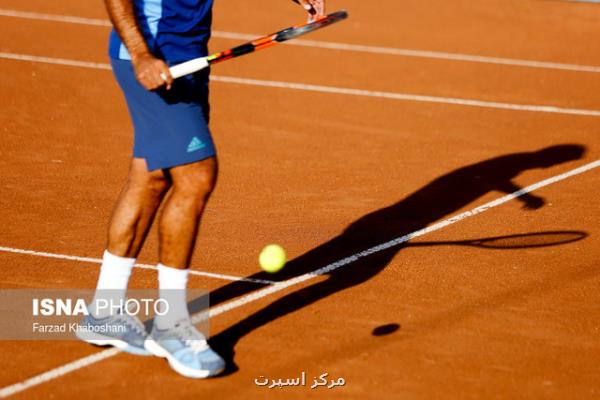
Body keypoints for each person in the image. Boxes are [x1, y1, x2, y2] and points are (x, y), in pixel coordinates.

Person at [76, 0, 326, 379]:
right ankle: (171, 324)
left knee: (151, 177)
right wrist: (142, 53)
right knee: (196, 177)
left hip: (187, 56)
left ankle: (105, 311)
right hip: (154, 54)